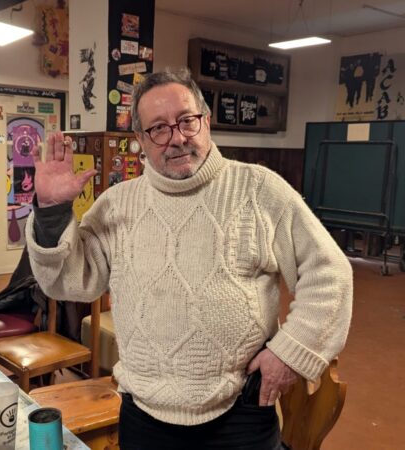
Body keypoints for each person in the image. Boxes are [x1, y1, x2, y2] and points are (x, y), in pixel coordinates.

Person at [24, 67, 353, 449]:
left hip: (241, 414)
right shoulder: (117, 205)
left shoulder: (260, 189)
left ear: (206, 121)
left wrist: (290, 355)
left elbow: (329, 273)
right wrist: (51, 211)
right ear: (140, 140)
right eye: (159, 129)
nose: (177, 138)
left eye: (187, 121)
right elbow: (67, 282)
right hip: (144, 417)